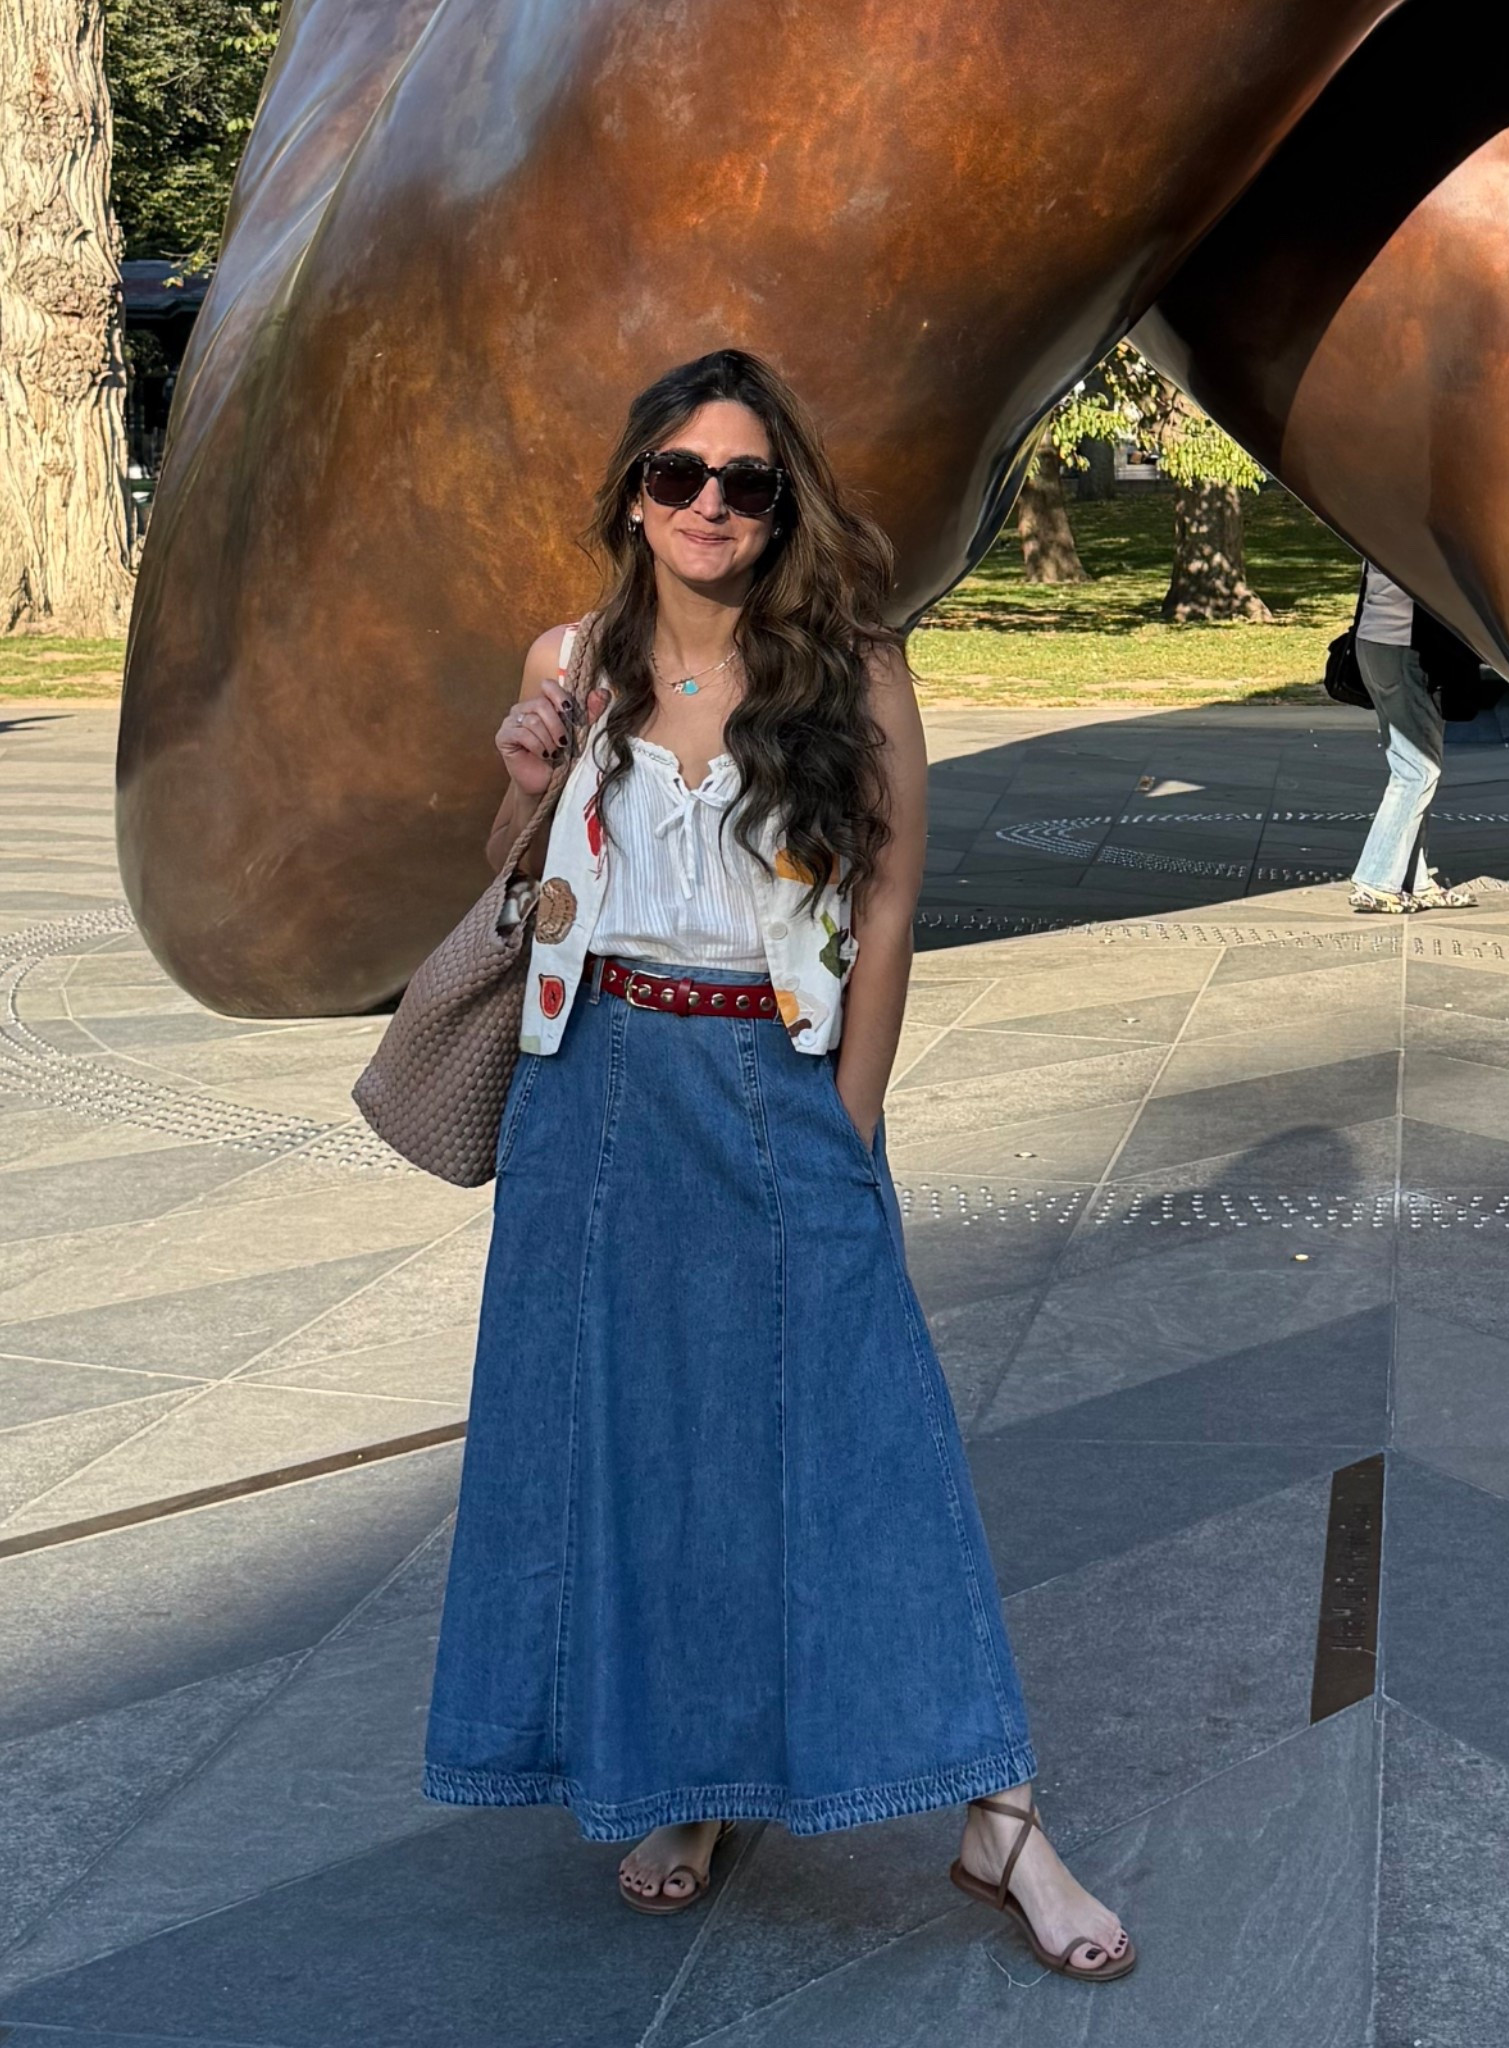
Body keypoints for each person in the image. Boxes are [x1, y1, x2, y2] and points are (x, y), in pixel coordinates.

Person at [420, 349, 1134, 1982]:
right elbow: (517, 878)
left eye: (745, 480)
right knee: (643, 1451)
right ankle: (690, 1785)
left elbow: (888, 901)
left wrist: (851, 1119)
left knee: (870, 1442)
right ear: (634, 494)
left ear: (780, 502)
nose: (711, 505)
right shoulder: (572, 663)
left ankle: (1002, 1815)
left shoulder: (850, 667)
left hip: (772, 1077)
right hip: (593, 1089)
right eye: (679, 474)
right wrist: (523, 788)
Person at [1349, 562, 1478, 914]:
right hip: (1403, 645)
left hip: (1377, 641)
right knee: (1417, 771)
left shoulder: (1379, 530)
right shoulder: (1415, 534)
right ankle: (1375, 879)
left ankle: (1415, 882)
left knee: (1416, 768)